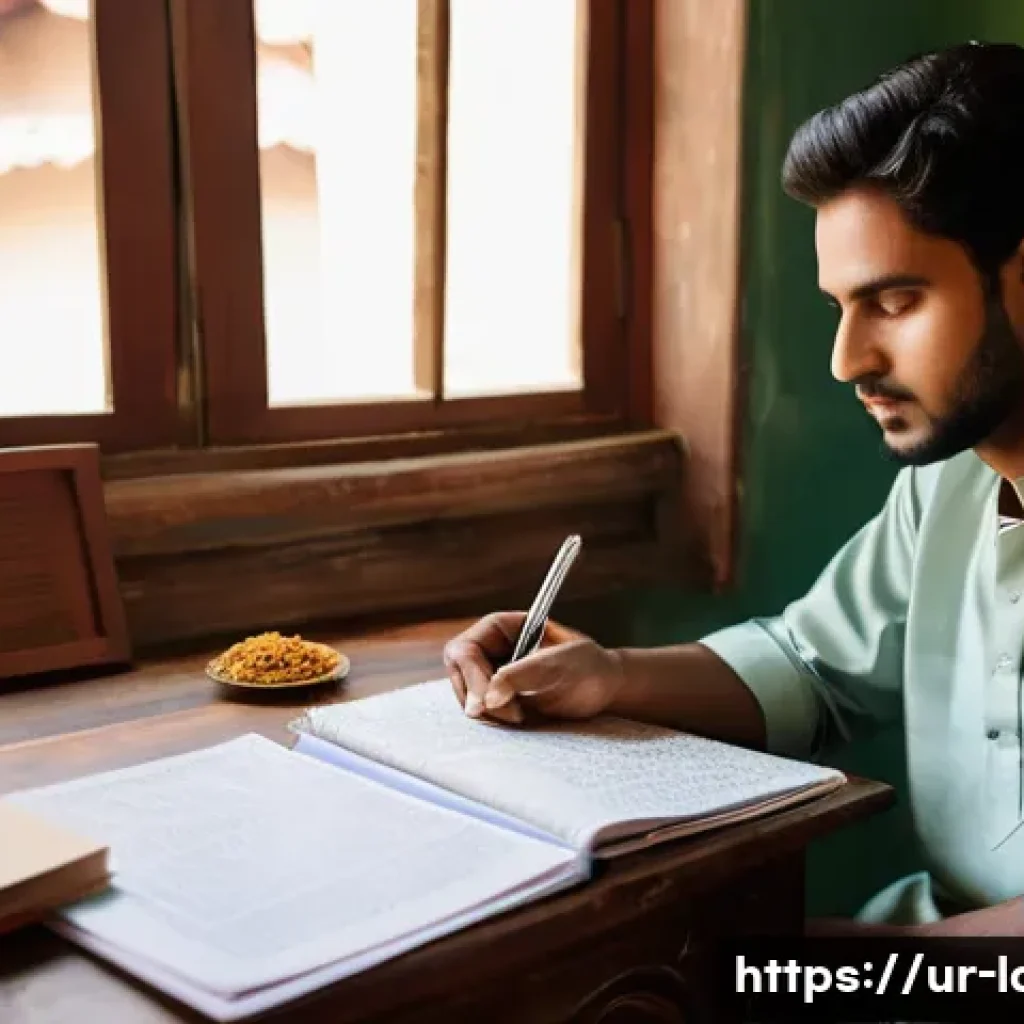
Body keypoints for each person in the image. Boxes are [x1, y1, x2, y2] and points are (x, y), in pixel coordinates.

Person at [443, 40, 1024, 938]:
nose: (848, 362)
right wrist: (607, 676)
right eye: (841, 306)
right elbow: (810, 668)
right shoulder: (947, 486)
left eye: (896, 300)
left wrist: (846, 971)